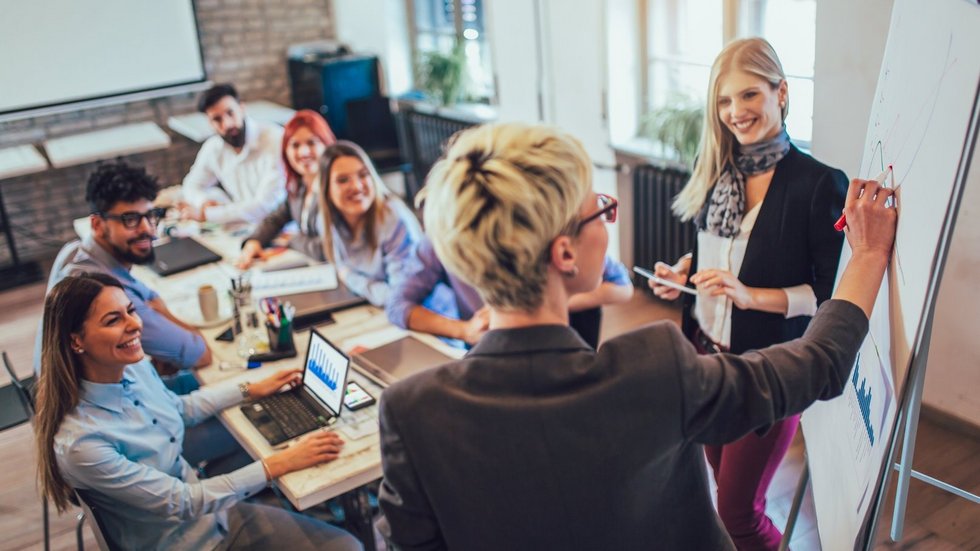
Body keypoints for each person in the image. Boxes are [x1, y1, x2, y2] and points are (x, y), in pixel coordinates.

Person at [374, 122, 896, 550]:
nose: (608, 217)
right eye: (600, 208)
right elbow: (819, 364)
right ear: (564, 254)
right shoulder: (653, 369)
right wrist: (869, 254)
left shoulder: (412, 412)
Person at [649, 38, 848, 549]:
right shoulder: (718, 168)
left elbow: (829, 296)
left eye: (749, 95)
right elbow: (714, 253)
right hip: (705, 357)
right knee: (718, 479)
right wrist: (680, 272)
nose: (735, 113)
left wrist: (750, 295)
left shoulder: (819, 184)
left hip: (768, 368)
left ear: (781, 93)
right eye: (723, 101)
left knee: (737, 510)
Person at [34, 273, 362, 551]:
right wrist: (277, 464)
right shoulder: (82, 444)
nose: (135, 324)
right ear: (76, 341)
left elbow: (179, 408)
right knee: (347, 546)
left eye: (131, 311)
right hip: (186, 541)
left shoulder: (130, 369)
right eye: (113, 320)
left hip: (212, 515)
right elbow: (185, 501)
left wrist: (250, 388)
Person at [35, 161, 211, 390]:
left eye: (151, 215)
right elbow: (200, 355)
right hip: (102, 409)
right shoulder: (101, 292)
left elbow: (151, 298)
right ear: (97, 224)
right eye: (130, 219)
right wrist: (181, 327)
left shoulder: (74, 251)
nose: (147, 229)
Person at [385, 235, 633, 347]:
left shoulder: (546, 231)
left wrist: (558, 301)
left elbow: (622, 286)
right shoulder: (440, 241)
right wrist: (464, 330)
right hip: (489, 346)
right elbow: (397, 305)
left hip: (561, 344)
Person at [317, 141, 422, 306]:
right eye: (343, 180)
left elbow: (400, 297)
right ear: (326, 190)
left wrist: (351, 279)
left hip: (422, 313)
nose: (357, 186)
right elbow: (340, 265)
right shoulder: (326, 220)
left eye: (363, 174)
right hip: (372, 305)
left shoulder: (393, 218)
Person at [237, 110, 337, 268]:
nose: (303, 152)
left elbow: (326, 248)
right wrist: (253, 241)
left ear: (326, 144)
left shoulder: (337, 189)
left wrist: (291, 240)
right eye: (295, 145)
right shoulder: (300, 186)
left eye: (312, 143)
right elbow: (275, 218)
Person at [180, 83, 285, 224]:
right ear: (209, 123)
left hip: (279, 227)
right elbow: (191, 185)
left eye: (230, 113)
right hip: (242, 226)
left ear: (242, 108)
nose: (227, 124)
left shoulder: (274, 139)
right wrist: (203, 202)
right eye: (217, 119)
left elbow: (265, 206)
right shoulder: (213, 147)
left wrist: (208, 214)